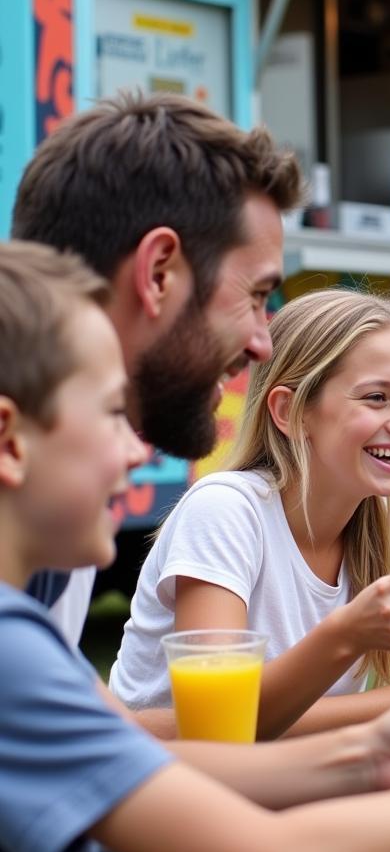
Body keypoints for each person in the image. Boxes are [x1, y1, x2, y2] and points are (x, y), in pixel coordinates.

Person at [0, 240, 390, 852]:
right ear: (288, 412)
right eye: (114, 413)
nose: (137, 451)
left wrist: (373, 752)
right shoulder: (224, 511)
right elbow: (228, 754)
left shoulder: (388, 509)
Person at [111, 288, 390, 737]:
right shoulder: (225, 510)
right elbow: (222, 725)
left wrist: (286, 722)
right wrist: (353, 640)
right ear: (290, 412)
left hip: (291, 775)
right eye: (376, 397)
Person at [12, 90, 303, 643]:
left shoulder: (66, 479)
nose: (263, 343)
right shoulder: (45, 486)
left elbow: (88, 722)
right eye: (257, 295)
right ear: (159, 273)